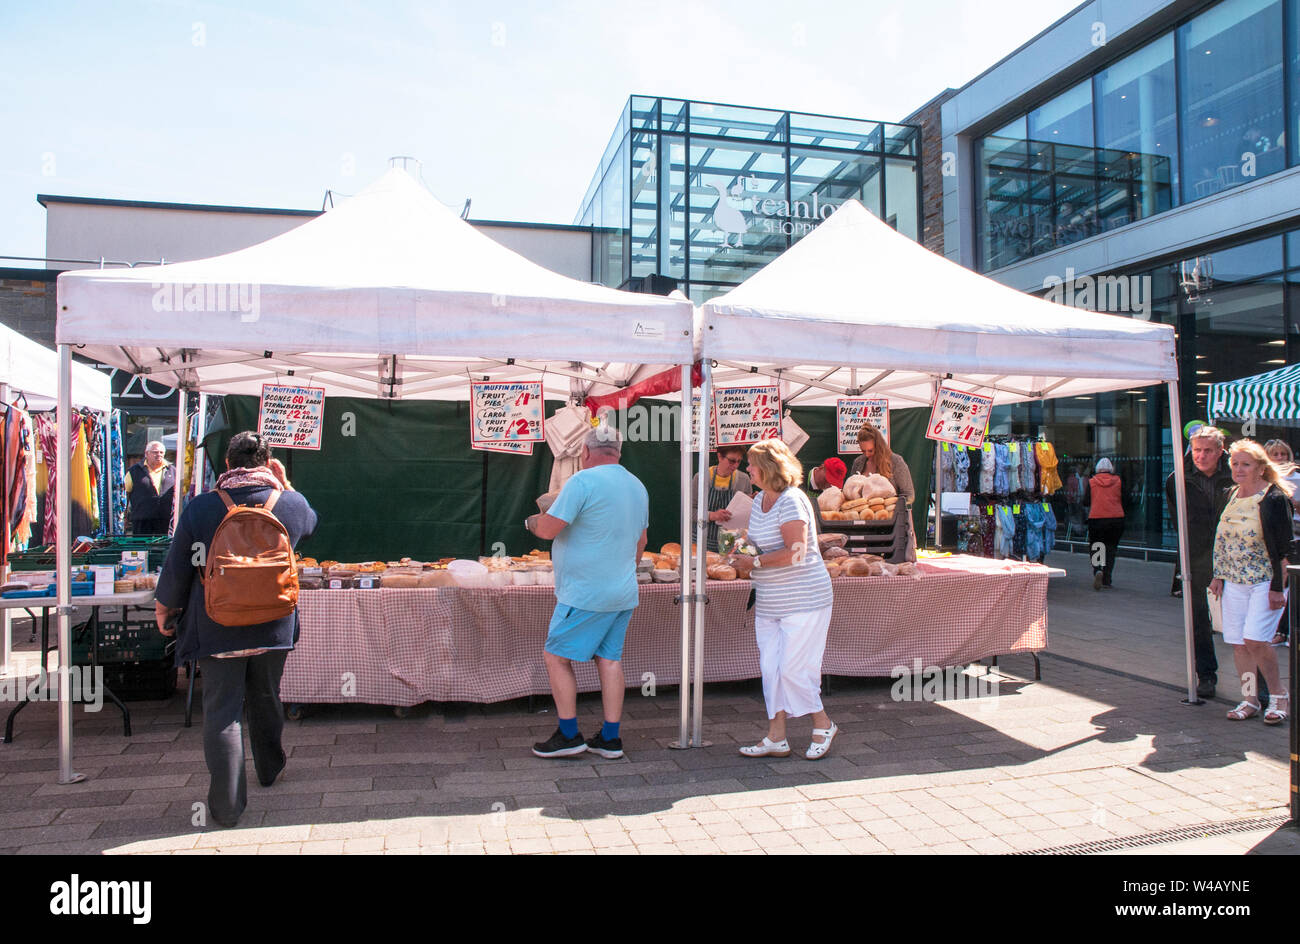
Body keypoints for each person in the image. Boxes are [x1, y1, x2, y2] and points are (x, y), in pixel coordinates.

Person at [153, 432, 318, 828]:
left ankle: (227, 809)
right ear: (268, 462)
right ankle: (270, 768)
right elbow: (311, 524)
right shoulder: (289, 504)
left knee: (223, 710)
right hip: (273, 622)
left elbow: (178, 565)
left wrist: (165, 608)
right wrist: (285, 482)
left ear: (226, 464)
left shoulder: (202, 507)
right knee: (266, 695)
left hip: (216, 623)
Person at [525, 425, 648, 760]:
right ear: (618, 452)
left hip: (585, 593)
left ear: (586, 452)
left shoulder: (581, 482)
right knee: (609, 661)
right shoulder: (637, 486)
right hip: (622, 591)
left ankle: (569, 734)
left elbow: (549, 530)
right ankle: (610, 738)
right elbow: (641, 543)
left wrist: (532, 521)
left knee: (555, 657)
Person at [728, 439, 837, 761]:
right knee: (772, 669)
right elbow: (761, 538)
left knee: (793, 669)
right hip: (770, 601)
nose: (748, 469)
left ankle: (824, 724)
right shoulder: (761, 498)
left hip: (804, 600)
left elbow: (797, 551)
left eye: (752, 464)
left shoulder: (792, 500)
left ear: (769, 468)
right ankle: (776, 736)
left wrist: (756, 563)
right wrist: (742, 544)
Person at [1210, 440, 1293, 725]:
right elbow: (1221, 540)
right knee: (1238, 644)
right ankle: (1250, 699)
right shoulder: (1230, 494)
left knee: (1256, 639)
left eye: (1246, 464)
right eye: (1235, 463)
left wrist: (1278, 587)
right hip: (1234, 580)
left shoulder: (1273, 497)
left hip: (1265, 580)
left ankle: (1279, 695)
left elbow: (1284, 547)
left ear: (1260, 467)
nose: (1238, 469)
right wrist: (1218, 575)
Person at [1166, 426, 1235, 698]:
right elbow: (1178, 523)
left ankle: (1257, 687)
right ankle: (1206, 676)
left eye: (1208, 450)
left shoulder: (1236, 474)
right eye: (1197, 450)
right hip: (1196, 556)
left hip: (1232, 556)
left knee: (1240, 621)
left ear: (1220, 451)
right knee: (1199, 621)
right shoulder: (1178, 479)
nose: (1201, 456)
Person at [850, 423, 915, 558]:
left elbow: (909, 495)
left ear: (879, 446)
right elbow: (851, 492)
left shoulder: (896, 462)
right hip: (863, 527)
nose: (867, 454)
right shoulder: (858, 462)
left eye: (871, 451)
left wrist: (887, 505)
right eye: (863, 451)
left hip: (890, 527)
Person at [1263, 440, 1300, 646]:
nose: (1279, 458)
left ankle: (1285, 630)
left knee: (1291, 586)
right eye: (1274, 455)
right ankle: (1278, 629)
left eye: (1283, 454)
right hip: (1271, 542)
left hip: (1295, 538)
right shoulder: (1262, 481)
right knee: (1277, 586)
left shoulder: (1297, 479)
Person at [692, 444, 752, 552]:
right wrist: (712, 515)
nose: (735, 465)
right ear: (720, 456)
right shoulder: (700, 478)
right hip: (701, 543)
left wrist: (751, 502)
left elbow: (747, 520)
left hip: (731, 545)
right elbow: (689, 512)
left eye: (739, 461)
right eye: (732, 461)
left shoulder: (744, 479)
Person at [1086, 458, 1125, 590]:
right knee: (1111, 548)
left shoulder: (1092, 482)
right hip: (1116, 519)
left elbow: (1085, 501)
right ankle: (1107, 579)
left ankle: (1097, 570)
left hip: (1096, 518)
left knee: (1097, 546)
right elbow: (1127, 498)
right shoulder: (1118, 481)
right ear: (1111, 468)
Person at [125, 440, 175, 535]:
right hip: (141, 520)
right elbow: (125, 495)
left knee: (163, 548)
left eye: (161, 452)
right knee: (141, 548)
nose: (159, 455)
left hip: (165, 520)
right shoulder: (134, 471)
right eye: (155, 452)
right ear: (147, 453)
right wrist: (124, 517)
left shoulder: (173, 471)